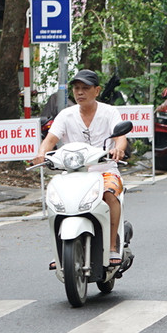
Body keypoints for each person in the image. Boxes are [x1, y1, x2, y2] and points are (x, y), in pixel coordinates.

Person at [33, 69, 128, 264]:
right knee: (56, 200)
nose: (80, 92)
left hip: (105, 170)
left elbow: (120, 137)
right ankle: (59, 250)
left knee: (110, 194)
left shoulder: (109, 112)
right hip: (73, 173)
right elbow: (50, 139)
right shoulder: (65, 115)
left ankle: (112, 246)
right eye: (76, 88)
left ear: (97, 90)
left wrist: (118, 149)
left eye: (85, 88)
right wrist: (41, 153)